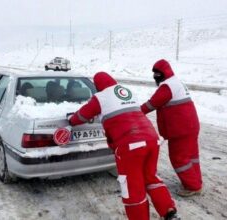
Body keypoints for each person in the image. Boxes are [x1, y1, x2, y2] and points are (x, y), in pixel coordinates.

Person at [68, 72, 179, 220]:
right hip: (152, 139)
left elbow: (82, 115)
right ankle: (169, 211)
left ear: (97, 86)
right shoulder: (126, 91)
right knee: (150, 177)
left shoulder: (100, 97)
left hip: (130, 145)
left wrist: (70, 120)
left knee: (132, 187)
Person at [140, 59, 203, 197]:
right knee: (191, 156)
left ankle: (192, 186)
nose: (155, 77)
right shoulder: (176, 82)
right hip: (190, 126)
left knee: (179, 158)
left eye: (157, 74)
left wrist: (135, 113)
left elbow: (152, 104)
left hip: (180, 130)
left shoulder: (167, 87)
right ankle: (196, 182)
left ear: (164, 73)